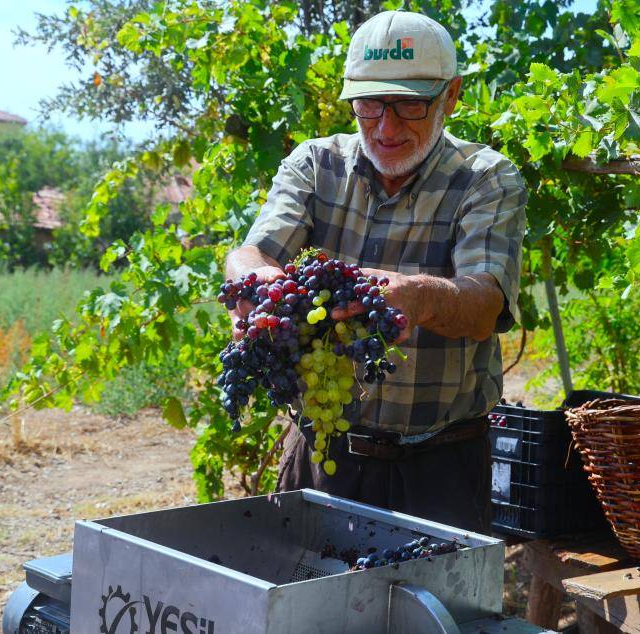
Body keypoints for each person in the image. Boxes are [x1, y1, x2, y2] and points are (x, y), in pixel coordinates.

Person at [224, 10, 527, 534]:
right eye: (369, 105)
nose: (386, 127)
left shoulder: (486, 180)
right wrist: (257, 284)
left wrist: (417, 296)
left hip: (442, 469)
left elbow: (485, 305)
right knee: (306, 611)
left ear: (451, 96)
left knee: (428, 614)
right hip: (322, 454)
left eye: (410, 104)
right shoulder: (316, 165)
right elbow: (251, 254)